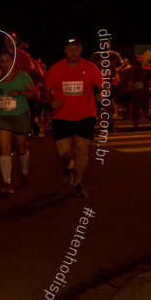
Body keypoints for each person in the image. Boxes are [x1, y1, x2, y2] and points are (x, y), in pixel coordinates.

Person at [43, 37, 104, 198]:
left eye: (76, 48)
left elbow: (102, 87)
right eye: (69, 48)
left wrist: (101, 95)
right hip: (62, 115)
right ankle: (68, 163)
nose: (73, 51)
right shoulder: (56, 68)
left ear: (81, 49)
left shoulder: (90, 67)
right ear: (64, 51)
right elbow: (46, 90)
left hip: (85, 114)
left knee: (81, 150)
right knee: (63, 152)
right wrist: (51, 101)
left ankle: (78, 183)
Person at [0, 50, 37, 193]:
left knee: (21, 149)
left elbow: (34, 94)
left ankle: (25, 171)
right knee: (4, 150)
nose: (5, 64)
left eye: (8, 61)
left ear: (13, 62)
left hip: (19, 115)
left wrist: (20, 92)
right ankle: (7, 182)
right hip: (3, 116)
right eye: (2, 61)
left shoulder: (22, 76)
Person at [120, 56, 151, 129]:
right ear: (134, 63)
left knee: (145, 107)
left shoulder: (147, 70)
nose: (138, 64)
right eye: (137, 62)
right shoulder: (131, 70)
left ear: (142, 62)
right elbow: (123, 76)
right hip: (135, 93)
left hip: (145, 91)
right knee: (135, 109)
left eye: (140, 62)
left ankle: (147, 114)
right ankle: (136, 124)